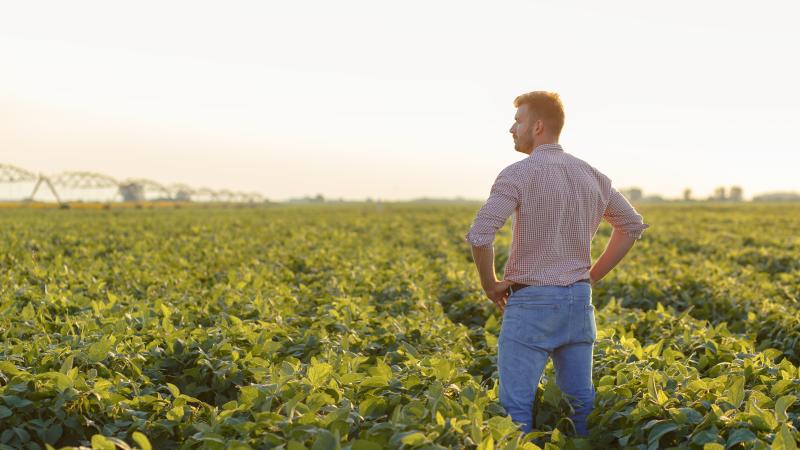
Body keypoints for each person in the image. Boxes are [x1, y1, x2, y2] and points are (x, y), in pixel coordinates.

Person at [464, 91, 649, 438]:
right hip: (578, 303)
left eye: (517, 121)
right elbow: (631, 226)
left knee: (516, 406)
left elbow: (480, 235)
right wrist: (590, 278)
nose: (511, 128)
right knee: (580, 402)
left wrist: (490, 285)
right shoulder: (592, 175)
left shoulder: (517, 174)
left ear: (536, 127)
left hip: (531, 302)